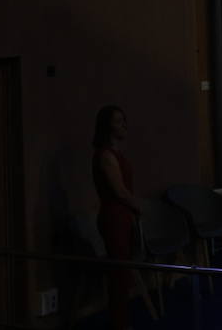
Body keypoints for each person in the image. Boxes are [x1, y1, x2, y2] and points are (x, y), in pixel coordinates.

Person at [93, 105, 142, 330]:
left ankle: (121, 322)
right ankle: (119, 324)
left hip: (122, 216)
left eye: (124, 120)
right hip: (114, 218)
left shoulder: (116, 154)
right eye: (118, 121)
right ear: (107, 126)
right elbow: (119, 191)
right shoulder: (105, 155)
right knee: (118, 275)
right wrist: (140, 208)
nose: (123, 125)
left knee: (123, 274)